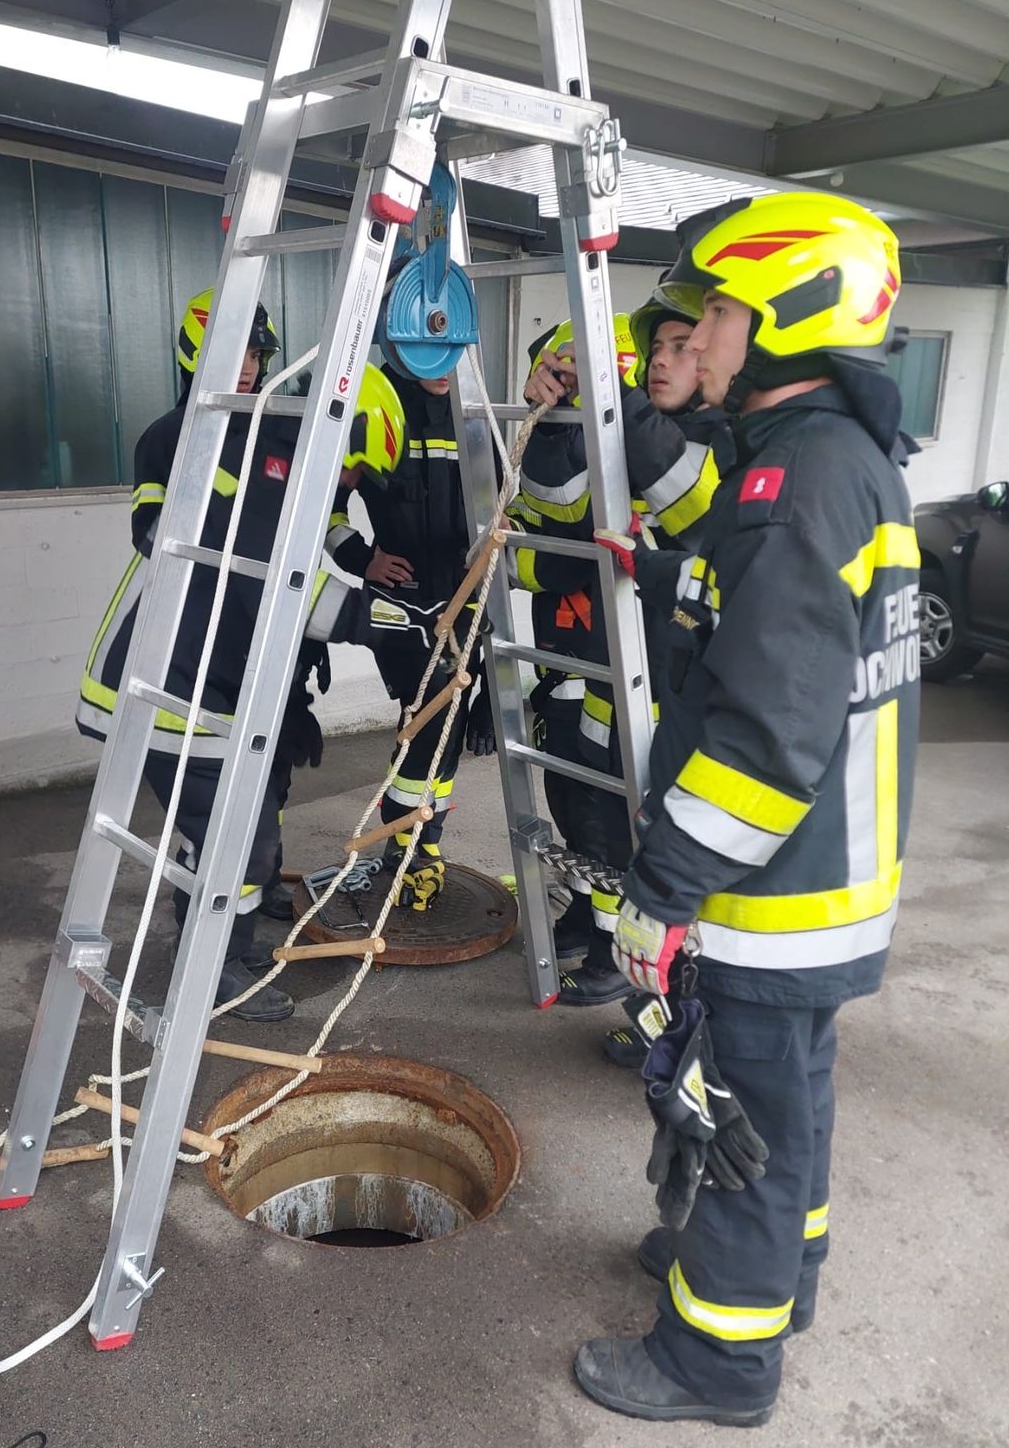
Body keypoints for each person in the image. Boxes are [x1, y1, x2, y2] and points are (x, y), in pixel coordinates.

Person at [571, 190, 919, 1426]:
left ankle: (716, 1357)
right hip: (827, 889)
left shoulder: (794, 482)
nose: (696, 334)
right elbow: (765, 621)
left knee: (742, 1128)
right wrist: (661, 571)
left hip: (772, 894)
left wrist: (657, 894)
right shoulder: (832, 464)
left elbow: (768, 741)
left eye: (716, 309)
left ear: (783, 315)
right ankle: (777, 1279)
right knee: (793, 1111)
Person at [77, 288, 403, 1022]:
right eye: (352, 472)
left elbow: (293, 546)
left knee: (250, 825)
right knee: (228, 834)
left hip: (215, 678)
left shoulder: (268, 451)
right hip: (168, 683)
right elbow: (262, 570)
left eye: (261, 354)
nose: (252, 366)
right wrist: (375, 622)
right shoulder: (181, 438)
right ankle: (212, 969)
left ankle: (238, 942)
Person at [517, 312, 731, 1014]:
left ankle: (629, 966)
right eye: (657, 349)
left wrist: (609, 397)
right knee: (578, 801)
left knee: (626, 819)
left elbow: (691, 505)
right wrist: (557, 415)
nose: (668, 361)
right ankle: (595, 925)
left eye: (681, 347)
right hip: (587, 656)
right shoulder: (609, 429)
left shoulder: (713, 438)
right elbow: (550, 518)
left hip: (663, 677)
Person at [324, 323, 494, 912]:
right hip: (401, 606)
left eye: (453, 350)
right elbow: (325, 506)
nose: (443, 363)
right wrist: (363, 559)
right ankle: (412, 851)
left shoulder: (474, 413)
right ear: (397, 346)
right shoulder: (374, 401)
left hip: (466, 597)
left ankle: (420, 842)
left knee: (446, 727)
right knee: (425, 725)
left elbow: (502, 509)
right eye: (428, 351)